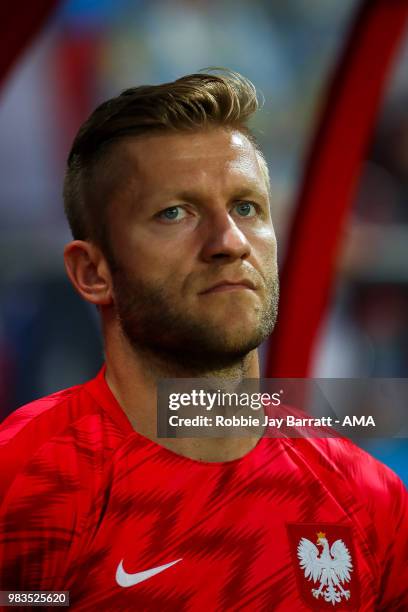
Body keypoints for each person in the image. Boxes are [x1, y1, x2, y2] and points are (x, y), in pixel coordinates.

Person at [0, 70, 406, 611]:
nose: (229, 242)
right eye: (175, 213)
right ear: (93, 272)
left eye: (246, 208)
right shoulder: (30, 477)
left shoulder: (366, 497)